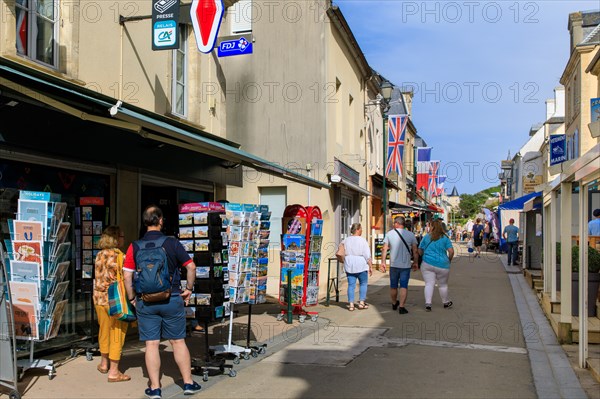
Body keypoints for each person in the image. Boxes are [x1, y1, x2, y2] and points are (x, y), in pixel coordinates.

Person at [123, 206, 201, 399]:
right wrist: (188, 289)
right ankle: (188, 383)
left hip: (146, 301)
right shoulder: (171, 243)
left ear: (145, 222)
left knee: (151, 343)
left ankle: (156, 388)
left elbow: (127, 276)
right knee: (177, 341)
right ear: (161, 221)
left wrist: (132, 297)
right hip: (172, 298)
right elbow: (191, 267)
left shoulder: (135, 246)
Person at [93, 226, 130, 383]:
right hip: (115, 300)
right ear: (115, 238)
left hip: (99, 299)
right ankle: (114, 372)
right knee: (117, 333)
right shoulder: (120, 256)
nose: (123, 238)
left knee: (104, 331)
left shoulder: (99, 255)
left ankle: (103, 363)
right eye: (121, 235)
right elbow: (126, 278)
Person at [380, 216, 419, 315]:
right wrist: (415, 262)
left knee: (393, 286)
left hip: (393, 265)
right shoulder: (411, 235)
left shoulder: (389, 234)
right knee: (403, 286)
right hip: (405, 266)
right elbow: (415, 250)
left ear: (397, 223)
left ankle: (394, 303)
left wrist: (383, 262)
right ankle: (401, 307)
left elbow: (384, 249)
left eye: (394, 223)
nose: (393, 224)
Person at [419, 219, 455, 311]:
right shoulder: (445, 238)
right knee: (443, 285)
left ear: (432, 227)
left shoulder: (426, 237)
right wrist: (449, 260)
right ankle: (446, 302)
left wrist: (423, 256)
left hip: (427, 263)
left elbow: (420, 250)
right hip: (443, 264)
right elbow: (451, 251)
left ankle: (428, 304)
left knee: (429, 284)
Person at [338, 223, 373, 311]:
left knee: (351, 285)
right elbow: (367, 254)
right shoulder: (362, 240)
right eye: (361, 229)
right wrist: (370, 266)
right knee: (363, 284)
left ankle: (351, 304)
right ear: (357, 229)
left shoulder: (345, 240)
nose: (362, 231)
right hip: (361, 263)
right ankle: (361, 303)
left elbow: (341, 251)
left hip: (349, 263)